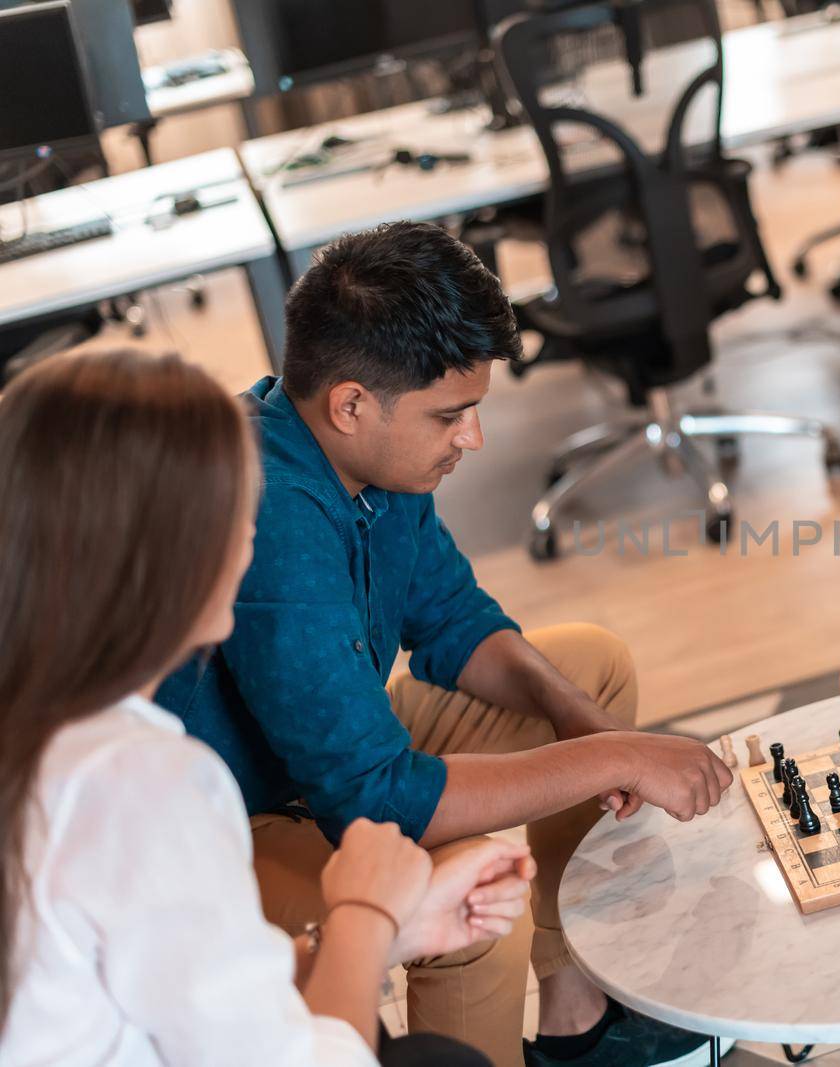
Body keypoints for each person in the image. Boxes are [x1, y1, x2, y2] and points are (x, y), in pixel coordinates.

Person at [154, 223, 734, 1067]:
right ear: (352, 403)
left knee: (588, 667)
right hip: (222, 822)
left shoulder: (373, 461)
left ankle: (574, 1018)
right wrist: (615, 756)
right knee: (472, 901)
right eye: (452, 415)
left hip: (318, 762)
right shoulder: (269, 506)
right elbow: (375, 799)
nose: (474, 438)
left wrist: (586, 725)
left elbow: (456, 622)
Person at [0, 348, 533, 1067]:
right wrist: (367, 908)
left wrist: (383, 931)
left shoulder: (53, 736)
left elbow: (182, 987)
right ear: (160, 557)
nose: (252, 537)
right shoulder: (141, 784)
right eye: (233, 512)